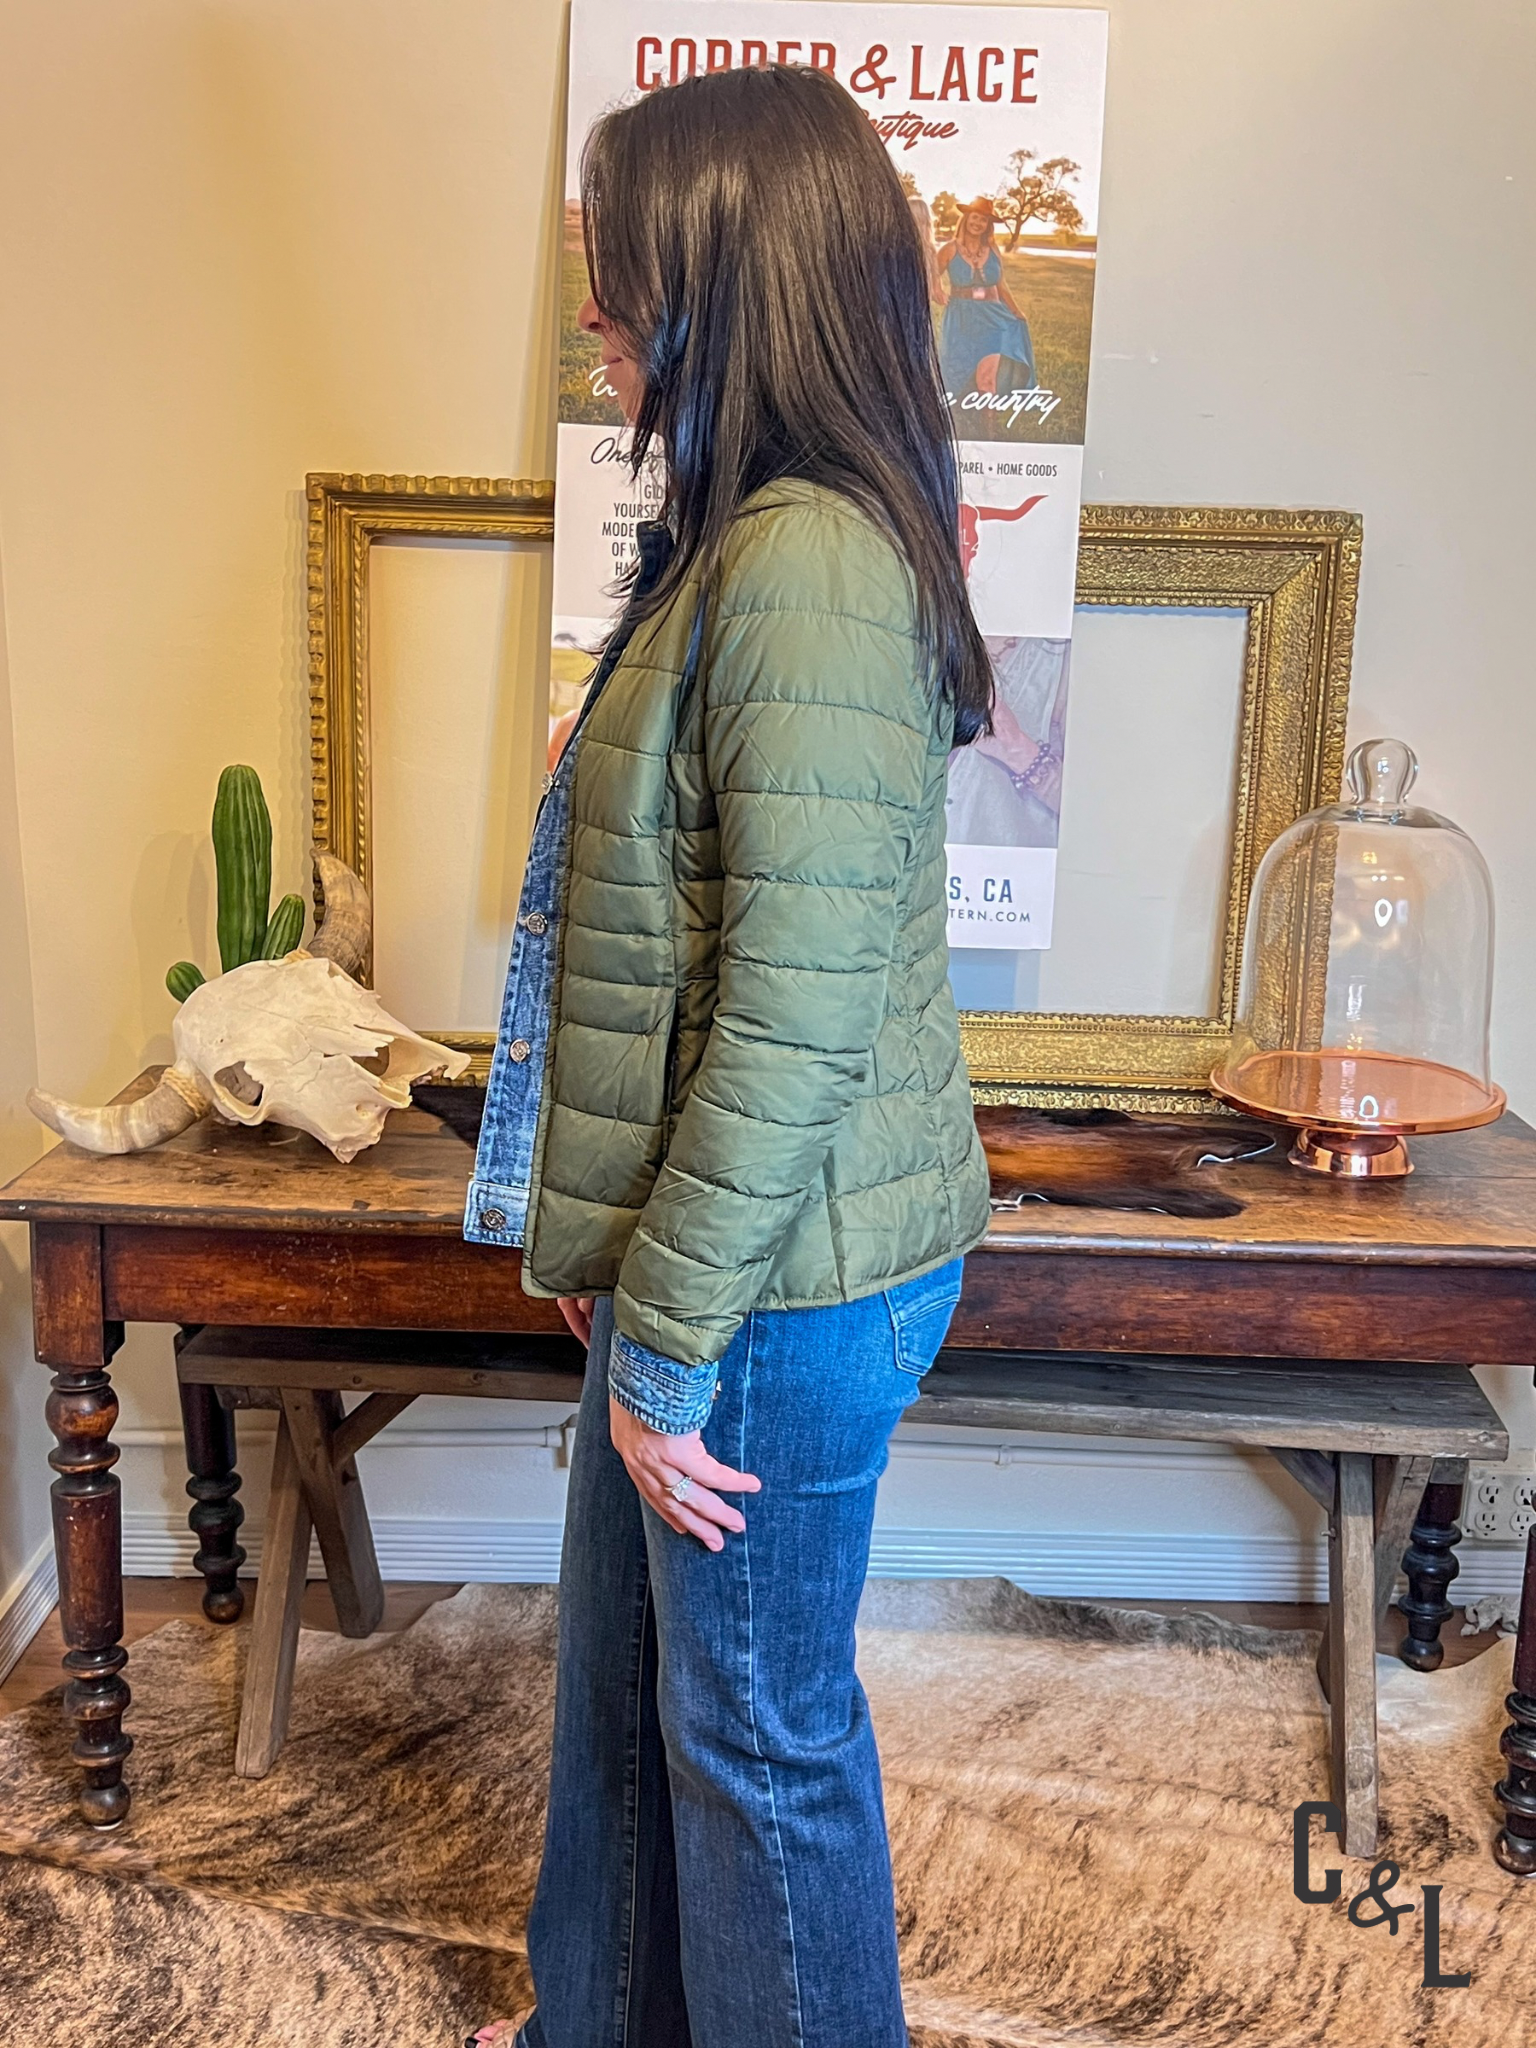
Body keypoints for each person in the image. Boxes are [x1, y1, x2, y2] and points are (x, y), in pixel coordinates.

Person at [463, 60, 993, 2048]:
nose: (595, 328)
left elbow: (796, 1003)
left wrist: (669, 1330)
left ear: (726, 282)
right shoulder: (748, 543)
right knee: (629, 1709)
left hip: (779, 1278)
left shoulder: (808, 564)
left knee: (756, 1749)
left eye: (618, 287)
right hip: (712, 1256)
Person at [936, 195, 1037, 398]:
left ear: (988, 225)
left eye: (984, 220)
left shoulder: (992, 249)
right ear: (965, 219)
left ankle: (990, 428)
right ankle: (956, 413)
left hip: (993, 315)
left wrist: (1016, 311)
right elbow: (929, 275)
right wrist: (936, 289)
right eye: (975, 217)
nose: (978, 223)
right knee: (955, 368)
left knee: (987, 375)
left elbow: (1001, 284)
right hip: (961, 315)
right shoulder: (949, 249)